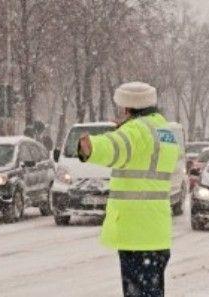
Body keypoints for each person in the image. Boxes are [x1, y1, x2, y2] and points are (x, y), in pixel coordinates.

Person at [77, 82, 180, 297]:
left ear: (128, 108)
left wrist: (90, 148)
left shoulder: (138, 130)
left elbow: (116, 146)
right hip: (157, 232)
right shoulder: (164, 130)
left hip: (137, 233)